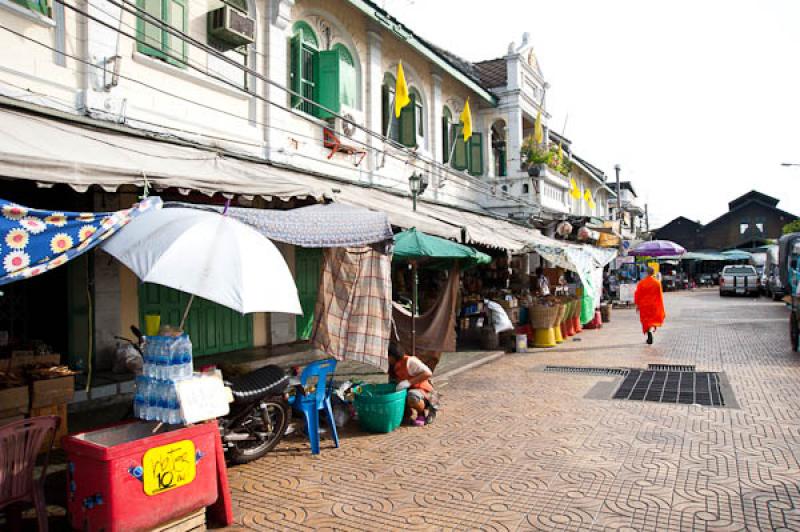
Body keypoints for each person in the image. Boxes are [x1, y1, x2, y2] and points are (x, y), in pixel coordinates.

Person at [388, 344, 437, 426]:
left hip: (421, 390)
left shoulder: (410, 361)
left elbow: (428, 373)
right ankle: (407, 413)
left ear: (393, 356)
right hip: (405, 391)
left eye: (388, 356)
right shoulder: (392, 365)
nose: (387, 359)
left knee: (412, 397)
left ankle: (421, 414)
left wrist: (409, 382)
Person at [634, 266, 666, 344]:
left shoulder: (641, 283)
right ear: (653, 273)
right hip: (654, 306)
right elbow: (660, 296)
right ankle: (650, 332)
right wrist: (661, 306)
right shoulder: (657, 283)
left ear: (646, 273)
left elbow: (637, 294)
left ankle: (649, 334)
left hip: (644, 306)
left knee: (646, 321)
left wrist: (637, 305)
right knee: (652, 321)